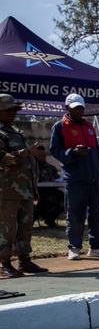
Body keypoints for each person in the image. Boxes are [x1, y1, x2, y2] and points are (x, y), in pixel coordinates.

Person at [50, 93, 99, 261]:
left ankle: (96, 247)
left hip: (95, 178)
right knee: (75, 214)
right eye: (76, 108)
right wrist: (74, 152)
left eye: (81, 108)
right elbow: (55, 151)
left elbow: (97, 151)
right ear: (67, 108)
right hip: (75, 179)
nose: (80, 111)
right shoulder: (60, 127)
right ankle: (74, 247)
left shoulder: (88, 126)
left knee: (96, 213)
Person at [0, 93, 48, 277]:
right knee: (7, 228)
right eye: (8, 110)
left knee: (25, 225)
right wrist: (26, 152)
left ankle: (24, 260)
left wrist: (33, 154)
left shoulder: (16, 131)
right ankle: (4, 262)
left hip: (25, 189)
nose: (13, 113)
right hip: (6, 190)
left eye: (14, 110)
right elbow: (3, 159)